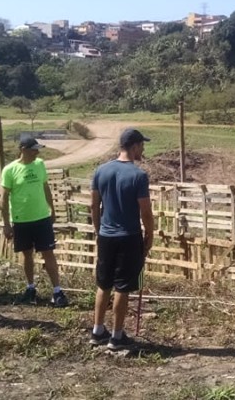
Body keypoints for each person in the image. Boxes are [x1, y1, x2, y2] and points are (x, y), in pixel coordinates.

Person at [89, 128, 154, 351]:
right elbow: (145, 212)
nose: (143, 149)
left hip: (106, 236)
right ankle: (116, 336)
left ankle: (97, 331)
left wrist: (99, 231)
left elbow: (94, 205)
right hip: (128, 237)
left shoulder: (100, 171)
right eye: (142, 145)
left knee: (103, 284)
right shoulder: (138, 175)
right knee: (122, 287)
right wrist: (150, 235)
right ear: (134, 146)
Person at [0, 136, 68, 308]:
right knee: (26, 254)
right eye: (33, 149)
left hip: (41, 218)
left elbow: (45, 187)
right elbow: (4, 197)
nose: (37, 152)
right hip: (21, 220)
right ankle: (30, 288)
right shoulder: (10, 170)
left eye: (38, 149)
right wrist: (6, 223)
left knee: (48, 253)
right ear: (23, 149)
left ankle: (57, 291)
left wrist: (52, 208)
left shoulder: (39, 164)